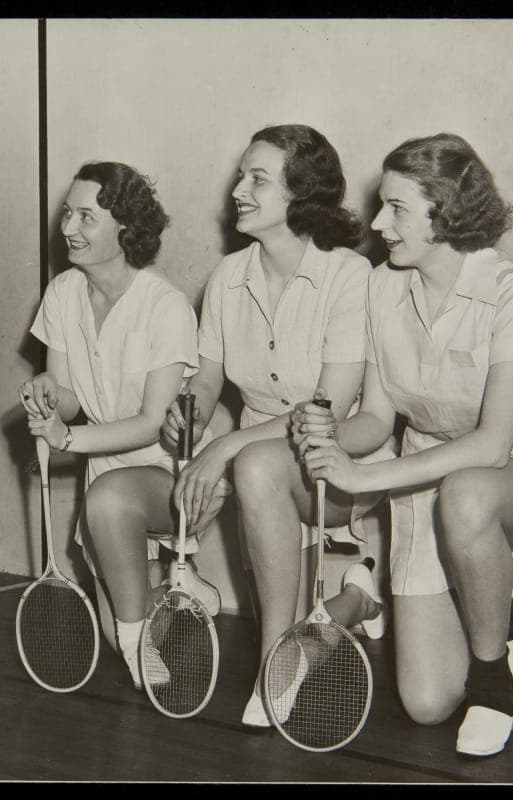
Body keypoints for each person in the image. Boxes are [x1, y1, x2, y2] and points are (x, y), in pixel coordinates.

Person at [294, 133, 513, 756]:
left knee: (467, 493)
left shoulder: (508, 287)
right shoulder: (380, 286)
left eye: (396, 208)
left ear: (445, 208)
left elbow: (494, 444)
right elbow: (375, 416)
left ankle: (492, 679)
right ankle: (497, 612)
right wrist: (328, 436)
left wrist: (365, 477)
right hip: (425, 473)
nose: (377, 222)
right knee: (425, 704)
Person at [160, 124, 394, 728]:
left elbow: (329, 410)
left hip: (343, 461)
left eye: (257, 178)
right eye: (242, 175)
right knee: (253, 464)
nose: (237, 189)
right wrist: (190, 413)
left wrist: (226, 448)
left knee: (254, 462)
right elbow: (208, 380)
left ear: (302, 193)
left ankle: (276, 664)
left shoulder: (349, 277)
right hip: (259, 465)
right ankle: (356, 599)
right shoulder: (225, 279)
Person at [19, 161, 209, 690]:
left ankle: (155, 602)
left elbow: (152, 423)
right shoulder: (62, 293)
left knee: (130, 637)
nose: (67, 228)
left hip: (172, 475)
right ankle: (179, 588)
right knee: (116, 623)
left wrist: (67, 438)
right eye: (67, 213)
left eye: (85, 216)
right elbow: (70, 398)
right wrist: (46, 393)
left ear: (125, 229)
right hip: (103, 467)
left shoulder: (165, 306)